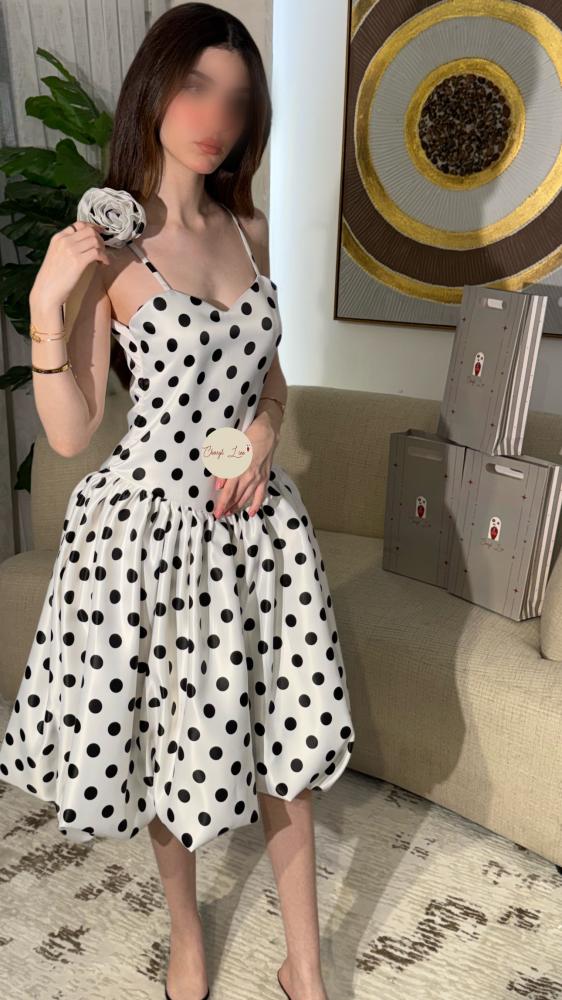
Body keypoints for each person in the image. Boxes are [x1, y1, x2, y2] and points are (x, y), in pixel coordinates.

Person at [0, 5, 355, 1000]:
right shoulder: (110, 247)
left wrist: (266, 430)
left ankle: (304, 963)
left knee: (283, 746)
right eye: (196, 87)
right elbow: (72, 429)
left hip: (256, 526)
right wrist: (46, 307)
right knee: (173, 746)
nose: (215, 119)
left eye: (236, 100)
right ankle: (188, 935)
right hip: (149, 532)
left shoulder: (248, 228)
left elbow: (269, 377)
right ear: (154, 90)